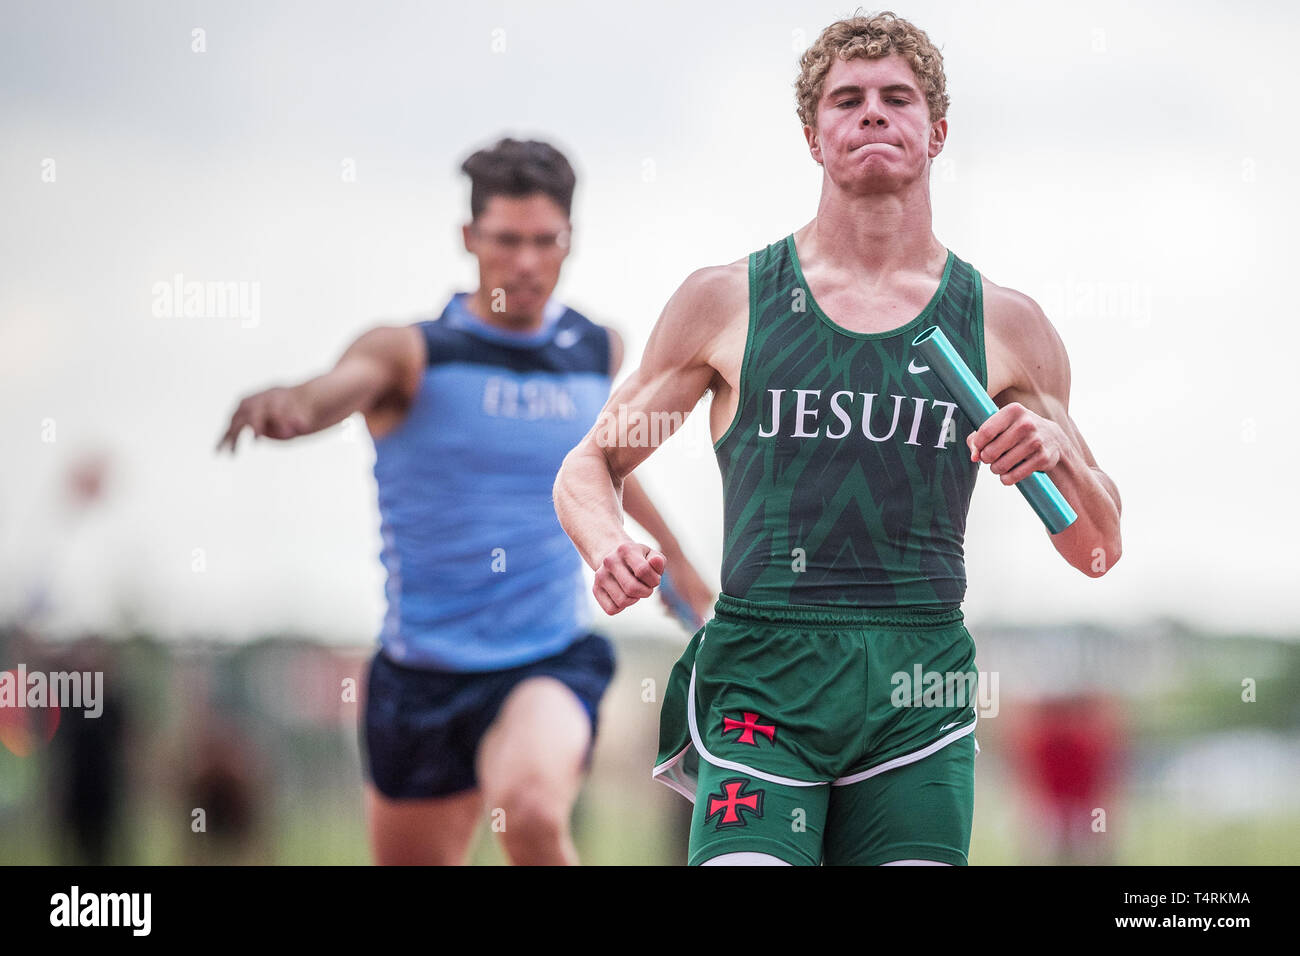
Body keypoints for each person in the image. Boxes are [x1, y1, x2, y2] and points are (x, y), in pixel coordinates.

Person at [553, 12, 1123, 866]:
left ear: (935, 131)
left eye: (897, 98)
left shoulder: (1006, 325)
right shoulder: (728, 301)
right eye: (846, 100)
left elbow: (1096, 551)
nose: (872, 114)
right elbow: (591, 461)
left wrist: (1058, 450)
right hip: (762, 674)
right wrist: (606, 545)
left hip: (916, 686)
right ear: (813, 137)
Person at [217, 137, 713, 865]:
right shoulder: (409, 354)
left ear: (570, 240)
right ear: (468, 239)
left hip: (546, 654)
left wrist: (688, 582)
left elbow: (605, 465)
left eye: (546, 242)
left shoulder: (595, 348)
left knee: (535, 811)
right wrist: (291, 405)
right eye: (506, 241)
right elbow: (329, 392)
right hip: (421, 677)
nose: (526, 263)